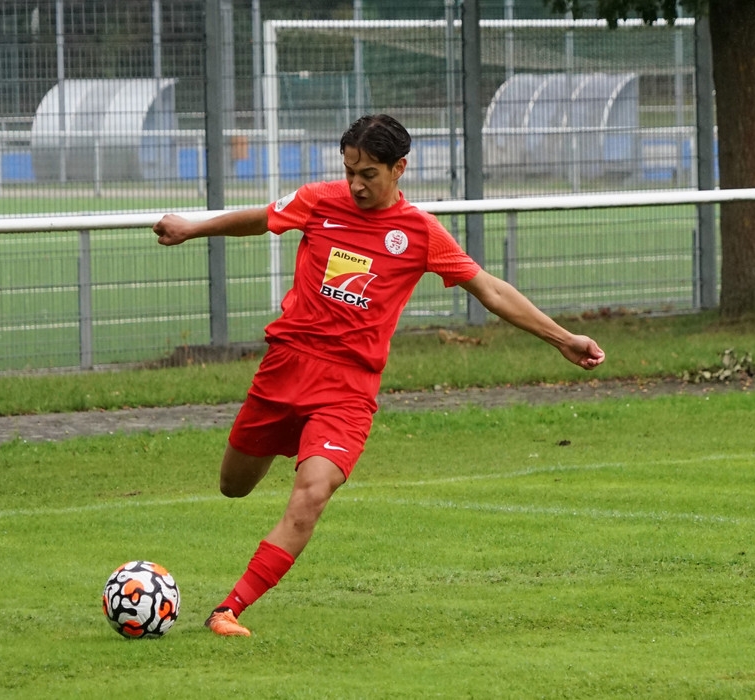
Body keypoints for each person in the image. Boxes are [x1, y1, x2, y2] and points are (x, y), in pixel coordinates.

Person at [152, 114, 605, 637]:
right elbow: (261, 218)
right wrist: (192, 227)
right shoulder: (319, 200)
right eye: (350, 171)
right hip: (285, 369)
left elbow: (491, 290)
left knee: (312, 494)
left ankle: (229, 609)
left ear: (399, 168)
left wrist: (562, 338)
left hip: (348, 390)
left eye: (368, 173)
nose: (356, 184)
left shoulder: (420, 232)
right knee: (233, 486)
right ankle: (288, 442)